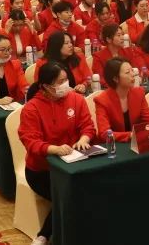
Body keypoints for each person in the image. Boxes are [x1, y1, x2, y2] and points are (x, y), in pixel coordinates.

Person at [18, 61, 94, 245]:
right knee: (71, 197)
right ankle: (44, 236)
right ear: (46, 86)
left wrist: (84, 139)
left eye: (66, 80)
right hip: (42, 171)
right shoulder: (32, 108)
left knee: (88, 192)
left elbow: (87, 125)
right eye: (60, 82)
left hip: (74, 164)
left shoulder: (76, 99)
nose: (65, 85)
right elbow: (31, 141)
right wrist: (55, 149)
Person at [93, 57, 149, 143]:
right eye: (127, 72)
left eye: (132, 70)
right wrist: (130, 135)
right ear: (115, 79)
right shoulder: (102, 100)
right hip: (114, 145)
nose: (132, 74)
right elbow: (104, 133)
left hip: (137, 143)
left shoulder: (139, 93)